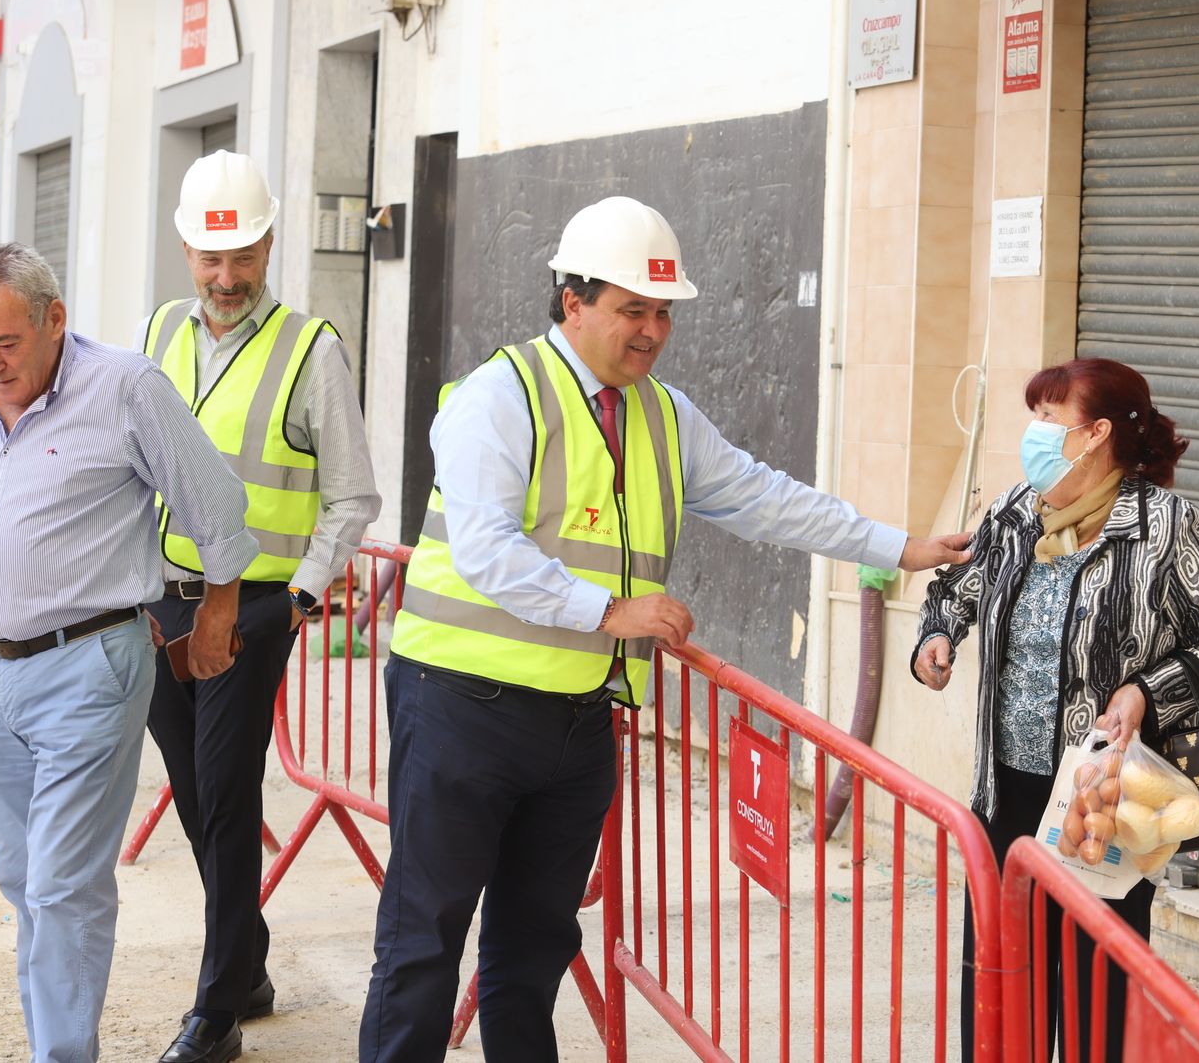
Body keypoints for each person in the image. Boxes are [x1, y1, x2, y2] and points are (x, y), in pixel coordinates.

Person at [357, 195, 973, 1061]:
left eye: (662, 313)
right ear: (572, 301)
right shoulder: (498, 396)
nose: (650, 331)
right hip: (463, 708)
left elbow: (764, 497)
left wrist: (899, 546)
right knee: (424, 939)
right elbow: (486, 549)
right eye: (630, 310)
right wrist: (610, 612)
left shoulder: (661, 413)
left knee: (532, 951)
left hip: (574, 719)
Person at [0, 242, 257, 1063]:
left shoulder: (126, 387)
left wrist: (220, 612)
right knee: (24, 884)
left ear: (55, 318)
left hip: (86, 665)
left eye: (5, 344)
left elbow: (217, 501)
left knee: (62, 889)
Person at [911, 357, 1199, 1062]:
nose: (1033, 432)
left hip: (1110, 799)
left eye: (1047, 418)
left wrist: (1145, 691)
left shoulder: (1163, 526)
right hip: (1005, 792)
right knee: (1004, 995)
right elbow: (952, 591)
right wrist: (937, 636)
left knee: (1099, 1002)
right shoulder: (1013, 513)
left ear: (1095, 434)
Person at [133, 151, 381, 1063]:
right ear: (188, 248)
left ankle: (216, 1016)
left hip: (254, 609)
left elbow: (353, 496)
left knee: (231, 797)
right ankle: (252, 964)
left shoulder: (310, 350)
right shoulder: (159, 330)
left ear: (270, 244)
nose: (227, 278)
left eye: (243, 257)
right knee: (196, 795)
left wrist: (303, 598)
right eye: (210, 257)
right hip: (161, 601)